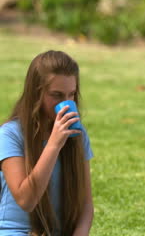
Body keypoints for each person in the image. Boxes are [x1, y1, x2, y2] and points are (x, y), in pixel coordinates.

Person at [0, 51, 94, 235]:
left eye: (71, 94)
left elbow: (86, 205)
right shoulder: (9, 135)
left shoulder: (78, 134)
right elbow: (26, 200)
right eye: (57, 95)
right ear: (36, 94)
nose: (66, 104)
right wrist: (53, 145)